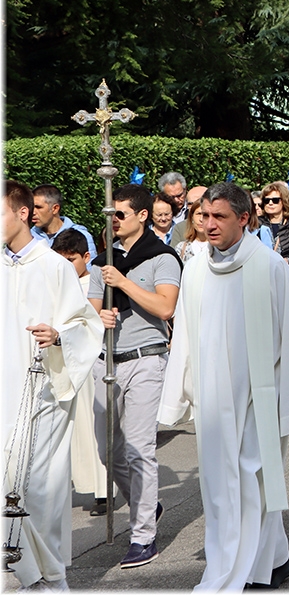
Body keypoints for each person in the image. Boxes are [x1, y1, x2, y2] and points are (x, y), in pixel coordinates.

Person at [158, 182, 289, 590]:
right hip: (212, 396)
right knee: (221, 485)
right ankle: (272, 561)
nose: (209, 224)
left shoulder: (269, 267)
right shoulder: (196, 267)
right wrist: (181, 392)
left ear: (244, 219)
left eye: (219, 217)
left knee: (250, 481)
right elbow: (184, 334)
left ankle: (226, 573)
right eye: (204, 216)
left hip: (259, 397)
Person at [3, 183, 102, 591]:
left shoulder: (54, 266)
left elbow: (87, 324)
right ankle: (22, 576)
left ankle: (48, 577)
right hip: (3, 393)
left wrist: (59, 334)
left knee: (37, 490)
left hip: (43, 391)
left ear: (22, 213)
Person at [87, 183, 181, 569]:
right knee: (108, 451)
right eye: (110, 214)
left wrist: (123, 283)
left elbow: (166, 307)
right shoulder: (103, 261)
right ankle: (147, 503)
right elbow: (90, 311)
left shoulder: (162, 257)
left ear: (142, 216)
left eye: (120, 214)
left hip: (146, 359)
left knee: (139, 449)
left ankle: (143, 536)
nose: (114, 220)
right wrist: (99, 315)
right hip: (106, 360)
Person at [51, 230, 109, 518]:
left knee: (95, 424)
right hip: (65, 359)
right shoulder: (56, 284)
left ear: (86, 257)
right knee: (75, 429)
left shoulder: (94, 283)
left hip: (93, 359)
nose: (66, 266)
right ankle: (79, 484)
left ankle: (104, 489)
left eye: (71, 260)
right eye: (60, 260)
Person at [31, 184, 98, 260]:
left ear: (55, 208)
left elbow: (89, 266)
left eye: (38, 207)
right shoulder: (29, 237)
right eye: (32, 207)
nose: (33, 212)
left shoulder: (81, 235)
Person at [175, 196, 211, 265]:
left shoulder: (218, 248)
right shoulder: (181, 248)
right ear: (192, 217)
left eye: (205, 215)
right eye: (198, 214)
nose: (201, 219)